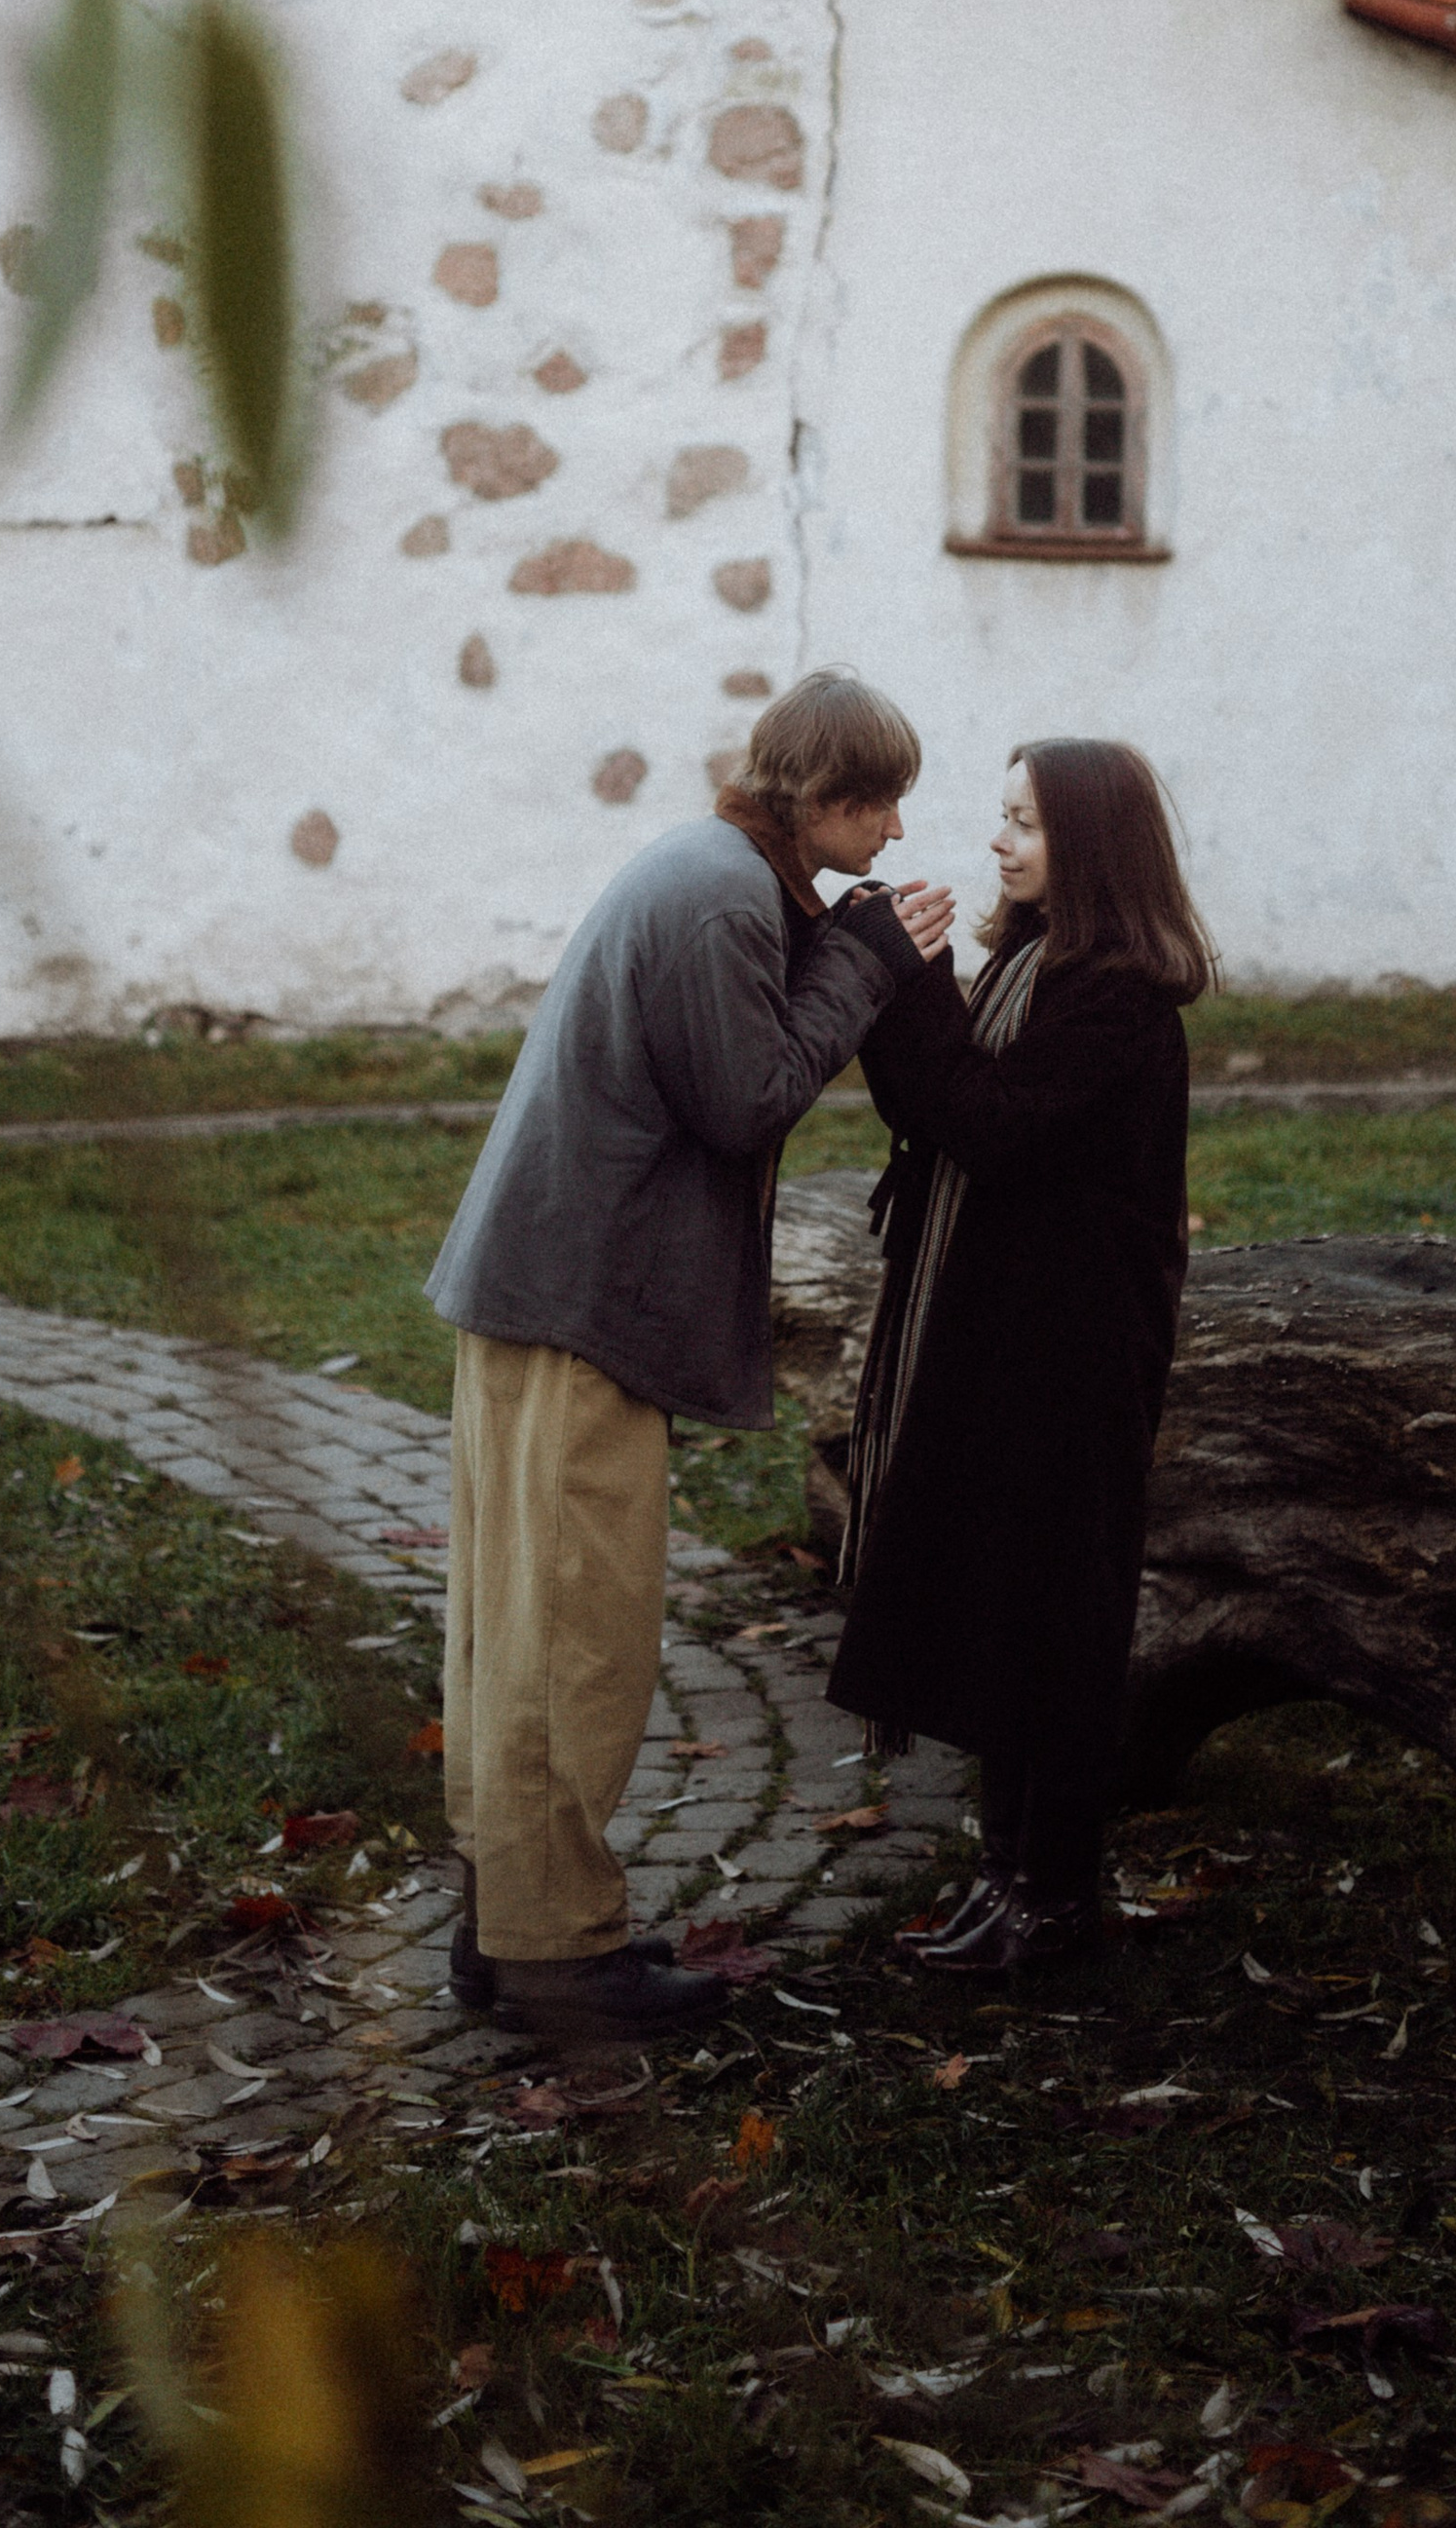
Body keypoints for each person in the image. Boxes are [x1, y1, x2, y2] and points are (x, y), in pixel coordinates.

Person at [426, 671, 948, 2047]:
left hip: (540, 1284)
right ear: (822, 799)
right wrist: (873, 960)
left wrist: (840, 940)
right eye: (879, 803)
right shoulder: (721, 890)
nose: (896, 831)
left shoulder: (716, 869)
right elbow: (748, 1100)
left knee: (511, 1620)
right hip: (578, 1303)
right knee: (570, 1632)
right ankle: (551, 1953)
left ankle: (510, 1923)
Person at [828, 739, 1214, 1975]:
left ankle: (1053, 1896)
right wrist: (906, 977)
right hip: (1006, 1335)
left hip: (1072, 1353)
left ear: (1090, 848)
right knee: (1007, 1599)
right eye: (1000, 817)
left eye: (1025, 824)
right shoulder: (1036, 969)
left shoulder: (1113, 998)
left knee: (1057, 1611)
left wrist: (917, 976)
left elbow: (986, 1126)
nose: (998, 842)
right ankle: (1007, 1878)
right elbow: (940, 1109)